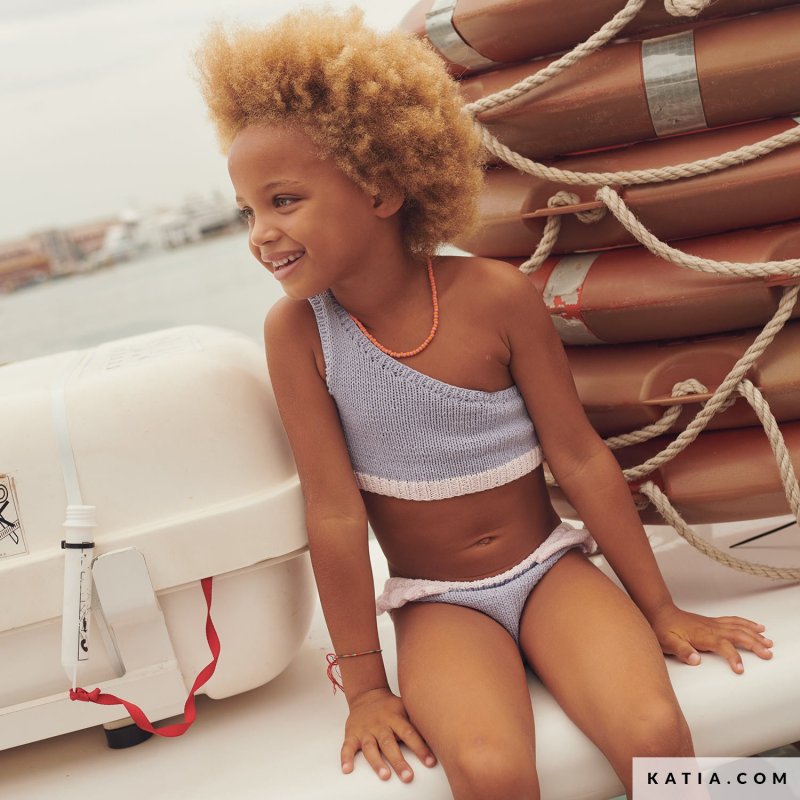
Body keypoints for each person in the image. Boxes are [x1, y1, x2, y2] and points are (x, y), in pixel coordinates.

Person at [194, 9, 773, 798]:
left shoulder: (495, 295)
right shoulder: (299, 335)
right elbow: (333, 516)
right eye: (248, 211)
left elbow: (579, 458)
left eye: (284, 201)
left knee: (654, 736)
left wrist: (661, 608)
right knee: (491, 771)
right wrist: (365, 689)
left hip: (550, 570)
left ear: (381, 188)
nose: (260, 234)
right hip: (438, 603)